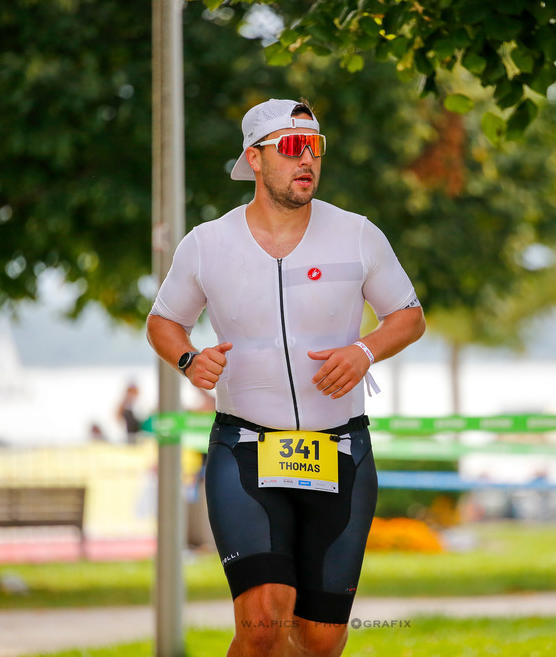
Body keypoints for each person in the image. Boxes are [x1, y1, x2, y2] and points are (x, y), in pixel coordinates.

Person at [146, 98, 425, 656]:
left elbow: (409, 316)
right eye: (293, 147)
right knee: (263, 621)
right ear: (254, 158)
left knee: (320, 641)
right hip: (245, 449)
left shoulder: (358, 234)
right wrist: (188, 359)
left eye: (315, 148)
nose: (308, 161)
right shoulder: (207, 243)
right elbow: (163, 321)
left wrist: (365, 351)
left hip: (341, 450)